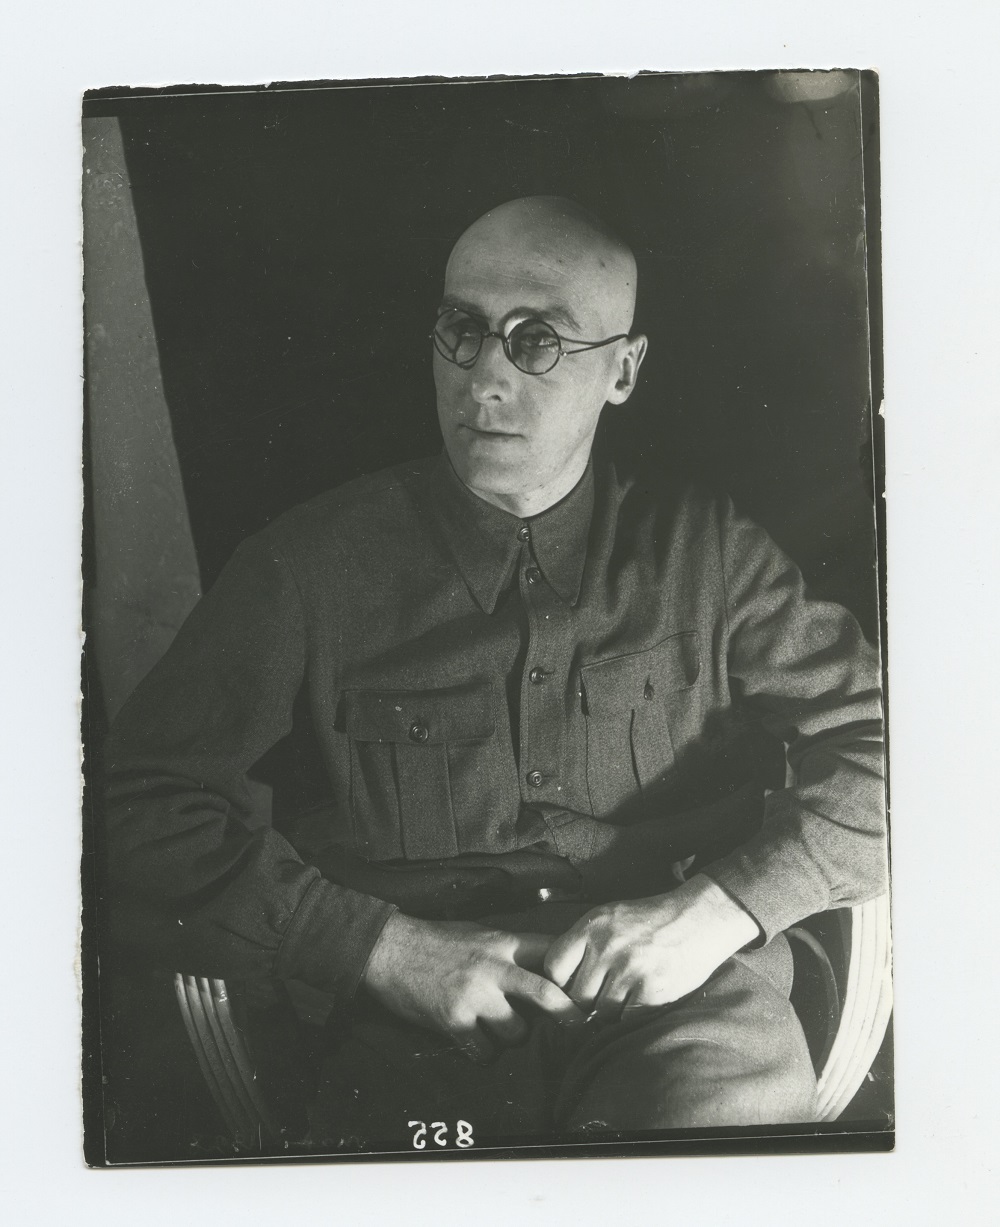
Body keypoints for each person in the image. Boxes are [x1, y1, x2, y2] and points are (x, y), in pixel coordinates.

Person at [105, 195, 886, 1145]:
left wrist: (718, 911)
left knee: (715, 1158)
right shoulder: (308, 566)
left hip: (686, 999)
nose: (484, 378)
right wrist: (379, 949)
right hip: (413, 1024)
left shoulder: (708, 556)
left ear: (623, 370)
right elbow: (136, 802)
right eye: (462, 329)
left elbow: (899, 751)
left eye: (537, 340)